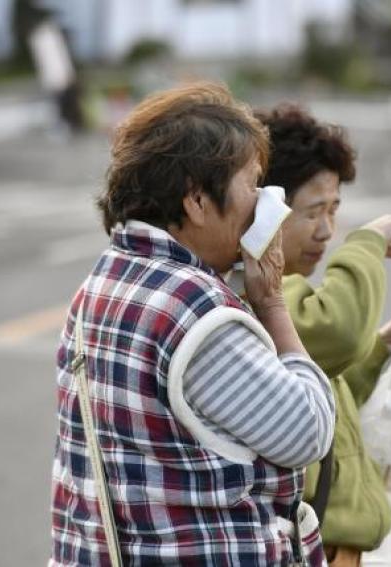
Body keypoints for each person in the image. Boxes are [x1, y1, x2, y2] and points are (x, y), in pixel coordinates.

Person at [50, 83, 335, 565]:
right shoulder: (193, 308)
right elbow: (308, 431)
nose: (267, 202)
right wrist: (271, 303)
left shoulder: (103, 282)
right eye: (252, 183)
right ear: (197, 200)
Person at [257, 104, 391, 566]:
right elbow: (335, 332)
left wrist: (379, 351)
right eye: (314, 212)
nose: (327, 231)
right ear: (265, 207)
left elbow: (319, 392)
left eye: (334, 211)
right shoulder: (265, 293)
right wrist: (369, 241)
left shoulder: (285, 291)